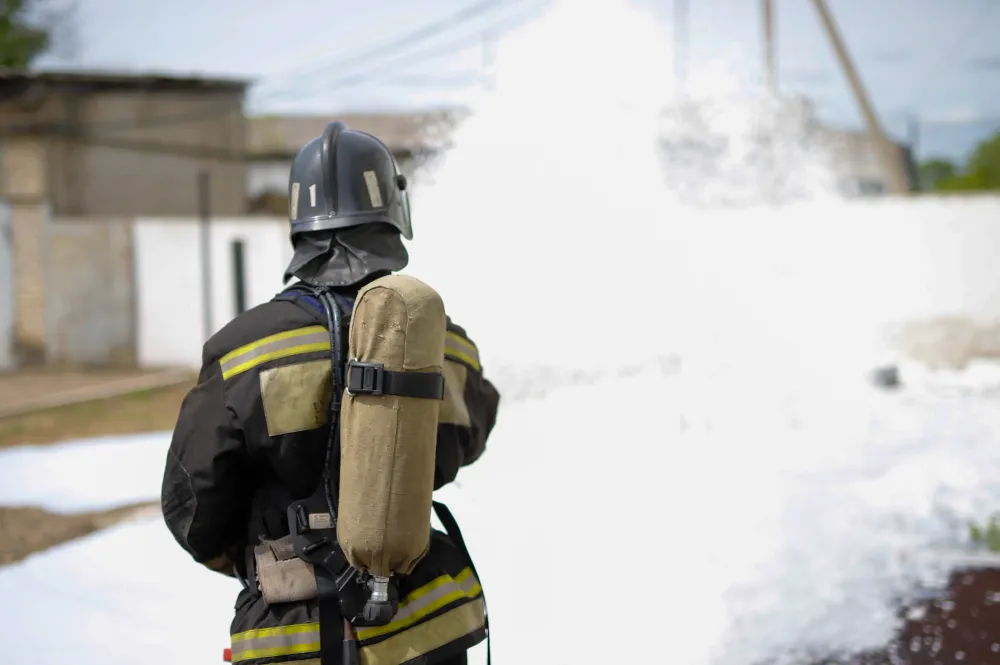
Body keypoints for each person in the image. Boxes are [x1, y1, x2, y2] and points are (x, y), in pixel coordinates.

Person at [161, 121, 501, 665]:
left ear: (301, 226)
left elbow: (191, 501)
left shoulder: (243, 350)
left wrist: (264, 556)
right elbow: (471, 434)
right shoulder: (442, 340)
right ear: (391, 211)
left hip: (296, 635)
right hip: (425, 626)